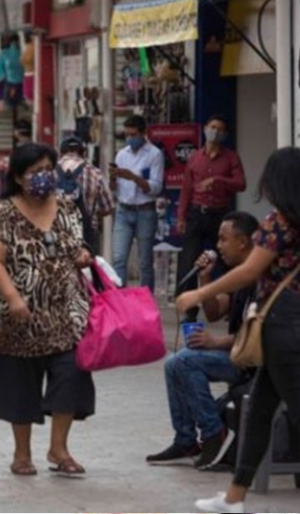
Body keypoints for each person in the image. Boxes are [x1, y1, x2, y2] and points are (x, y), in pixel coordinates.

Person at [176, 147, 300, 513]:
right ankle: (235, 497)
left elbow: (249, 271)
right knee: (258, 410)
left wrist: (199, 293)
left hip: (282, 324)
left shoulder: (279, 222)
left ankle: (235, 496)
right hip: (287, 323)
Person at [0, 143, 94, 477]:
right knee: (20, 386)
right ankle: (22, 454)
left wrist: (83, 256)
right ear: (18, 177)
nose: (44, 176)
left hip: (67, 314)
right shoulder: (5, 213)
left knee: (71, 377)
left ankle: (59, 449)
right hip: (18, 319)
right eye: (35, 171)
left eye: (48, 169)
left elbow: (80, 244)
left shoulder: (68, 207)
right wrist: (13, 298)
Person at [147, 212, 259, 470]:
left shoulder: (261, 277)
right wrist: (205, 278)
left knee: (186, 362)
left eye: (223, 239)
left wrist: (215, 342)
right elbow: (214, 312)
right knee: (174, 362)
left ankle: (213, 434)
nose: (218, 246)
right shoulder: (237, 276)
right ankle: (185, 440)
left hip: (253, 361)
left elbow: (257, 335)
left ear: (243, 242)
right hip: (237, 354)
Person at [177, 115, 246, 322]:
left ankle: (230, 306)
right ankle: (189, 310)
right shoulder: (195, 158)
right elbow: (186, 189)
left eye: (219, 129)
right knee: (189, 260)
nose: (215, 132)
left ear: (225, 134)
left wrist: (217, 180)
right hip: (197, 213)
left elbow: (241, 184)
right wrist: (181, 216)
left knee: (228, 259)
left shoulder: (230, 157)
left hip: (220, 214)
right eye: (212, 127)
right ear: (205, 128)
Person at [110, 115, 164, 291]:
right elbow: (115, 189)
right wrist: (113, 178)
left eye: (133, 135)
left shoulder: (155, 154)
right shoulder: (121, 155)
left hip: (145, 211)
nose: (129, 138)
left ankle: (146, 299)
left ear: (143, 133)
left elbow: (156, 187)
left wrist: (134, 178)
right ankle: (120, 299)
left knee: (144, 262)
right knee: (119, 258)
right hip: (123, 210)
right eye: (126, 135)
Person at [56, 137, 115, 251]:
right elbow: (108, 207)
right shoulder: (94, 172)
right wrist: (92, 213)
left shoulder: (50, 171)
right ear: (84, 154)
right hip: (86, 234)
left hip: (57, 232)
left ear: (61, 153)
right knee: (88, 261)